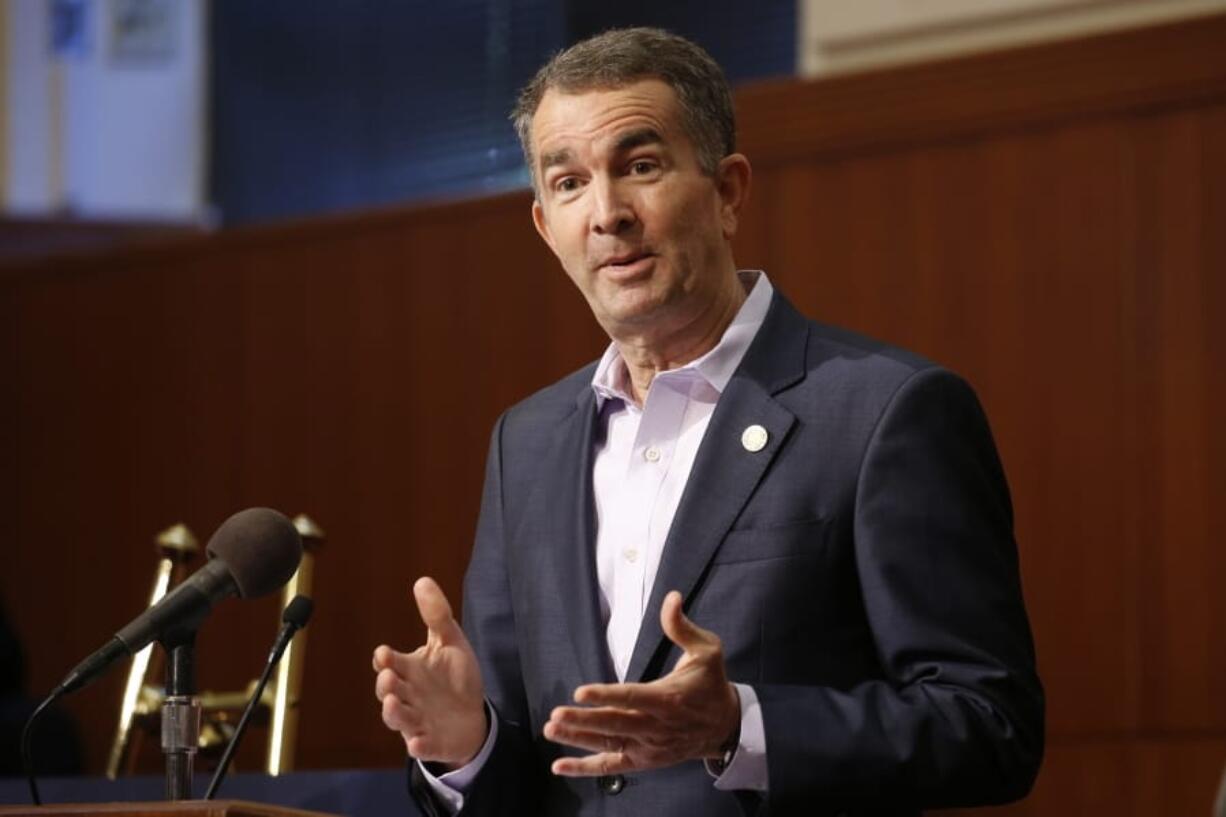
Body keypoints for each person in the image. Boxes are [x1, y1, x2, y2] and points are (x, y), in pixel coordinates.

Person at [373, 27, 1044, 817]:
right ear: (544, 227)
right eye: (569, 183)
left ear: (728, 191)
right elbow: (540, 774)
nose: (607, 214)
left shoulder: (885, 410)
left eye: (641, 166)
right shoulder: (526, 442)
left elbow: (991, 727)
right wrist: (466, 745)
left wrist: (740, 725)